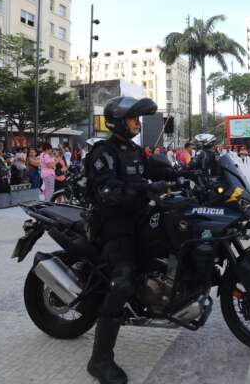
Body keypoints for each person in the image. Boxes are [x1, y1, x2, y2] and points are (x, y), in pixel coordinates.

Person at [83, 96, 173, 384]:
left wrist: (185, 171)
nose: (138, 123)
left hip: (139, 219)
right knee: (122, 282)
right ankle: (100, 361)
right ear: (119, 121)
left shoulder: (133, 150)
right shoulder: (102, 153)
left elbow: (153, 169)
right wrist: (146, 191)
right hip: (114, 225)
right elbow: (108, 193)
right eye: (134, 119)